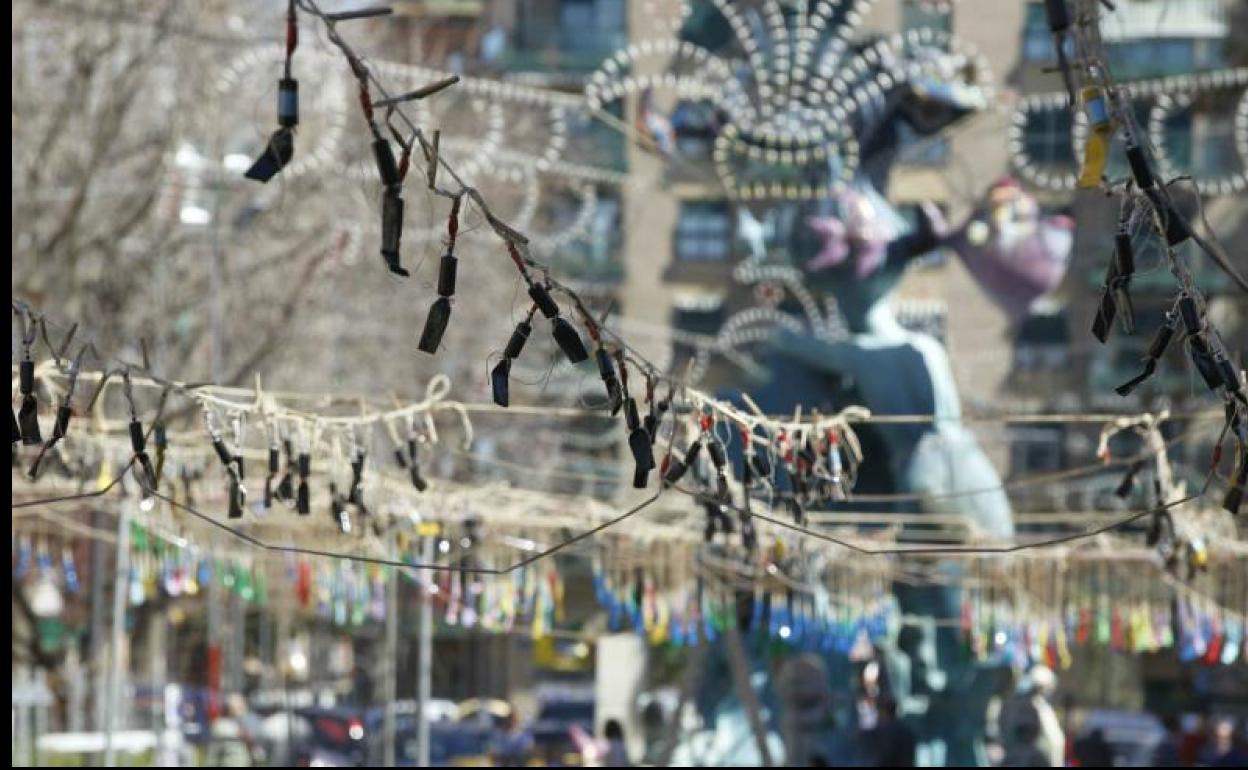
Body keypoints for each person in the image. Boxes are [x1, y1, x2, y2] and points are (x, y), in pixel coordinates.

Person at [861, 697, 917, 767]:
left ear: (883, 712)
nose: (877, 716)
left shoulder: (883, 733)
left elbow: (883, 757)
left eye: (878, 711)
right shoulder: (907, 732)